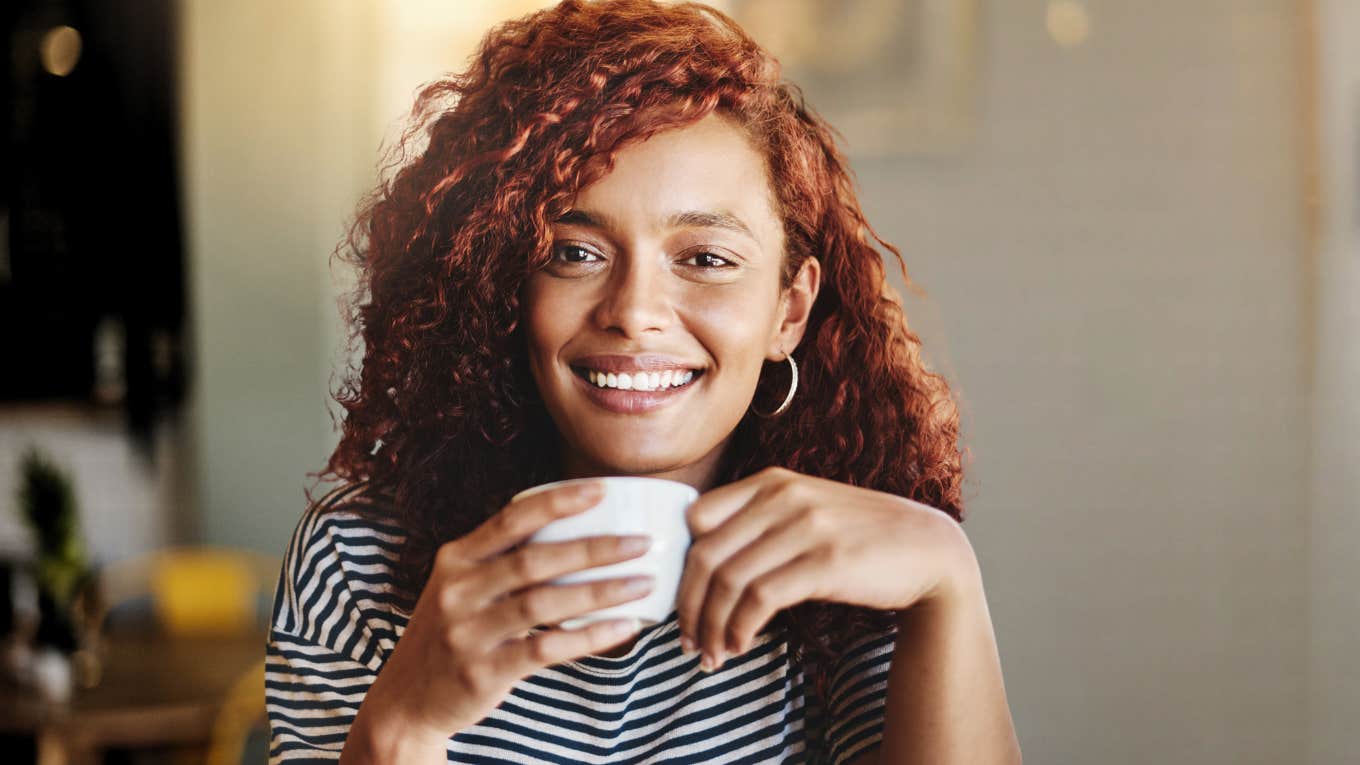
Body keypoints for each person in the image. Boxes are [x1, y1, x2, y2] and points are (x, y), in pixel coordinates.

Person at [265, 1, 1021, 763]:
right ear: (510, 286)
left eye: (706, 258)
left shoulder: (855, 576)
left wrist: (947, 579)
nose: (634, 312)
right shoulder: (357, 561)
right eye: (575, 253)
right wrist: (404, 726)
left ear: (788, 312)